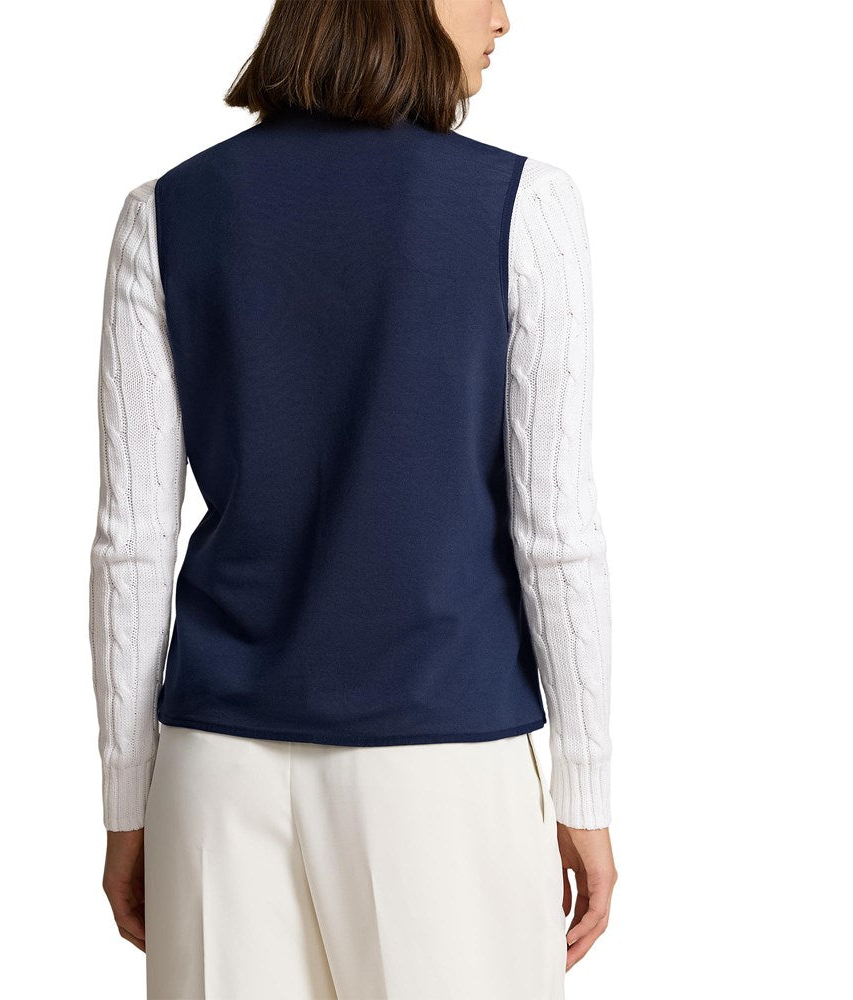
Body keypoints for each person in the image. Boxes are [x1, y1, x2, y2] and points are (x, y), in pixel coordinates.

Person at [89, 1, 617, 996]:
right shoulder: (522, 207)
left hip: (216, 767)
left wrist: (127, 802)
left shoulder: (167, 211)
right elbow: (556, 533)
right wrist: (584, 789)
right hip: (444, 769)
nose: (504, 17)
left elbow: (132, 543)